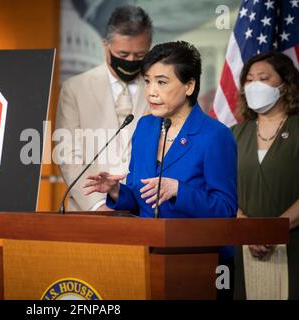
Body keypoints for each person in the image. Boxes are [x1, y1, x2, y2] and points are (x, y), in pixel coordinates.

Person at [83, 41, 238, 299]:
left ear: (189, 86)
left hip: (200, 264)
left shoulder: (215, 136)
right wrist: (115, 191)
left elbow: (225, 210)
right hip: (144, 257)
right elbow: (139, 197)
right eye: (147, 82)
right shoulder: (145, 127)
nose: (151, 92)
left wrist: (178, 190)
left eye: (162, 82)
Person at [55, 5, 153, 211]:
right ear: (105, 44)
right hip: (89, 212)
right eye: (123, 54)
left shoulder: (159, 89)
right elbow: (67, 155)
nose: (131, 61)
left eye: (139, 55)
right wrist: (97, 205)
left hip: (144, 211)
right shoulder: (75, 89)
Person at [231, 52, 299, 300]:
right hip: (244, 246)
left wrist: (273, 230)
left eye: (263, 78)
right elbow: (221, 191)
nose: (254, 85)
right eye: (249, 80)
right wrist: (248, 229)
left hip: (293, 244)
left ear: (285, 85)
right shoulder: (232, 135)